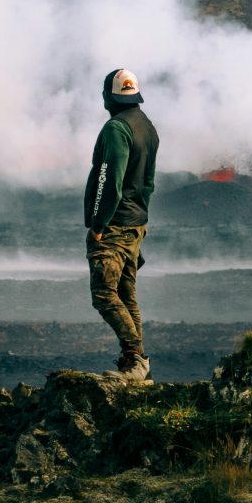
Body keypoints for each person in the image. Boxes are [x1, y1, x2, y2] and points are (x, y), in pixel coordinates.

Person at [84, 68, 159, 382]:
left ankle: (135, 360)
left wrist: (99, 223)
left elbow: (108, 179)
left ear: (108, 96)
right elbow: (149, 184)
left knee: (104, 293)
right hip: (135, 223)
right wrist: (138, 219)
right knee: (126, 293)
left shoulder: (116, 128)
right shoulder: (146, 126)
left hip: (115, 225)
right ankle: (136, 361)